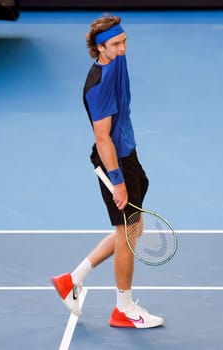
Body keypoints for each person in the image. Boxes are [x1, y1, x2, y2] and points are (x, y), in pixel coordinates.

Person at [52, 15, 163, 329]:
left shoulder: (116, 59)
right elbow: (102, 139)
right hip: (114, 161)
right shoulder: (98, 86)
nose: (123, 48)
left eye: (125, 41)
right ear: (100, 48)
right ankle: (123, 309)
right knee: (128, 235)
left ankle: (70, 280)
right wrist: (118, 182)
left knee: (132, 229)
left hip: (128, 151)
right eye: (116, 44)